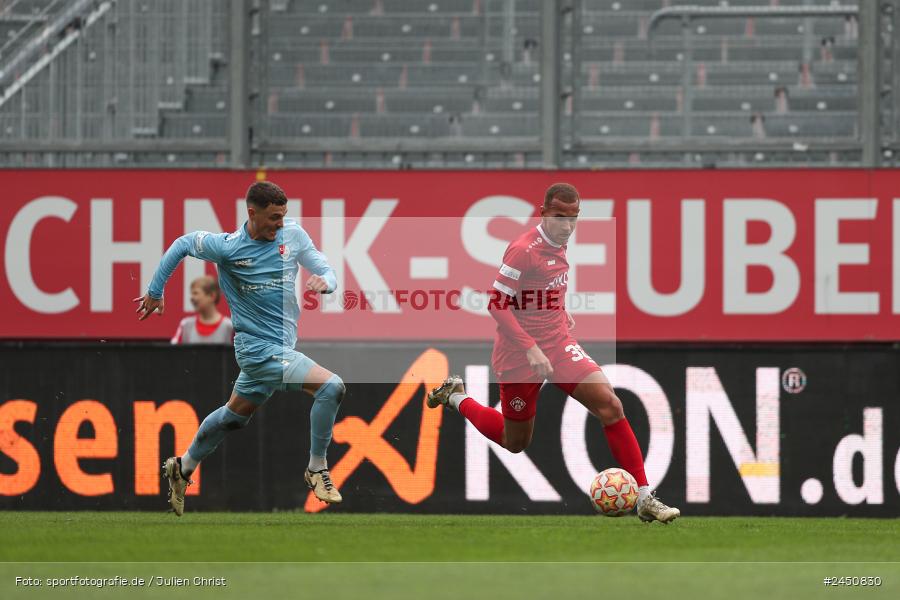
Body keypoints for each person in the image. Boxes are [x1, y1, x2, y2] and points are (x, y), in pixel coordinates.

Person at [427, 183, 680, 523]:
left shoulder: (560, 243)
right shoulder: (522, 250)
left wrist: (559, 310)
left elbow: (542, 287)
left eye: (573, 218)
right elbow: (497, 304)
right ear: (543, 212)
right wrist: (530, 348)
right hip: (519, 356)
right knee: (514, 441)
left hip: (558, 345)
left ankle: (646, 497)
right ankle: (456, 398)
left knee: (610, 405)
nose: (567, 225)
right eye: (560, 217)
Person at [134, 181, 345, 516]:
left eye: (283, 216)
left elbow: (324, 267)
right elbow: (183, 243)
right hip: (256, 349)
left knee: (233, 418)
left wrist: (327, 282)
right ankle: (316, 468)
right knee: (331, 387)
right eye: (274, 217)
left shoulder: (292, 235)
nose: (280, 223)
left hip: (280, 348)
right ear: (252, 213)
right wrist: (155, 291)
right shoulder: (228, 247)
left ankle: (183, 466)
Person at [170, 276, 234, 345]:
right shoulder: (185, 325)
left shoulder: (230, 327)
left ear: (212, 296)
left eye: (195, 293)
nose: (191, 298)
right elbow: (172, 353)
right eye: (191, 294)